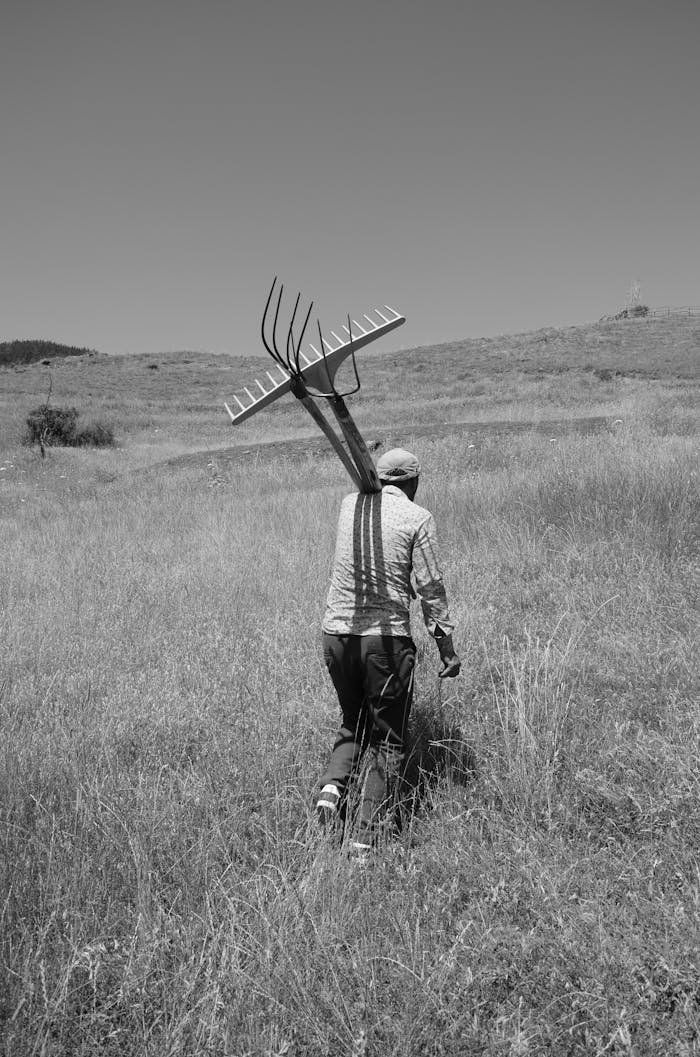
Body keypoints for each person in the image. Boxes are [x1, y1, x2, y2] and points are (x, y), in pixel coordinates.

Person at [316, 447, 460, 856]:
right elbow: (431, 587)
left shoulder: (351, 505)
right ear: (413, 483)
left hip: (336, 635)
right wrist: (446, 647)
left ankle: (331, 792)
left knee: (353, 721)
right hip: (386, 642)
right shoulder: (418, 518)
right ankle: (365, 836)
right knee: (389, 738)